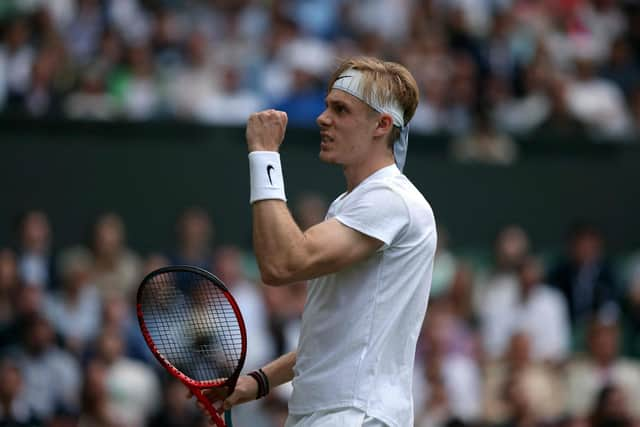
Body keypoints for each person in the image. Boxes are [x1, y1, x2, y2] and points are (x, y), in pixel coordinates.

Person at [201, 57, 437, 427]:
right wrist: (259, 382)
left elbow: (282, 264)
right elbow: (335, 335)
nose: (322, 118)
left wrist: (264, 155)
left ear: (382, 124)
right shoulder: (350, 204)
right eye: (327, 106)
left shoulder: (390, 199)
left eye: (340, 109)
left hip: (356, 416)